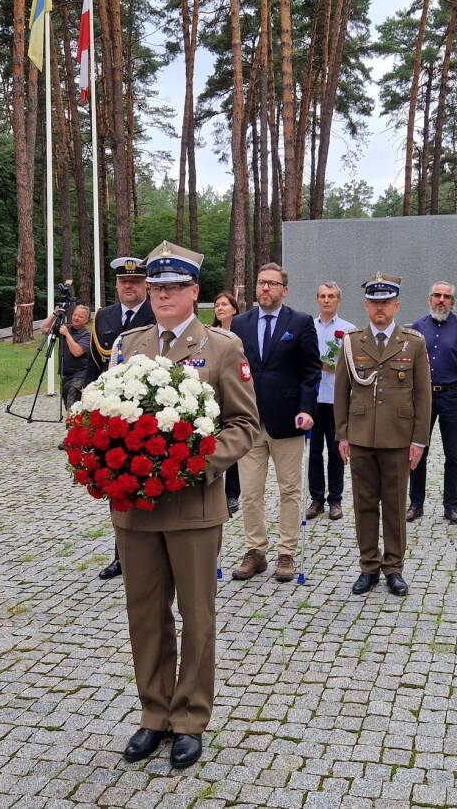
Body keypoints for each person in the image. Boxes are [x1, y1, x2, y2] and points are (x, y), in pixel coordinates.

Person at [112, 240, 260, 770]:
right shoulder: (129, 345)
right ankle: (154, 714)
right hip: (137, 509)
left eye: (173, 288)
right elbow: (111, 417)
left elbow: (245, 425)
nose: (161, 296)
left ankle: (190, 719)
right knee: (145, 615)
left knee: (196, 616)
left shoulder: (221, 348)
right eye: (155, 288)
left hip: (194, 505)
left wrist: (196, 464)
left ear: (194, 292)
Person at [334, 273, 431, 597]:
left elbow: (422, 395)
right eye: (374, 302)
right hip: (361, 437)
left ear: (396, 305)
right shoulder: (351, 342)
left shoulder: (413, 343)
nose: (380, 308)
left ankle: (394, 567)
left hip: (397, 438)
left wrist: (419, 440)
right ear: (366, 305)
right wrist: (342, 434)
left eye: (386, 302)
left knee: (394, 504)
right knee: (363, 505)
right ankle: (368, 566)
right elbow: (341, 392)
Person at [229, 263, 320, 583]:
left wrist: (307, 408)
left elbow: (311, 372)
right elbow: (231, 370)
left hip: (288, 421)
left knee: (290, 490)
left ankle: (286, 552)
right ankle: (255, 550)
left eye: (272, 284)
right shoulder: (239, 324)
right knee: (250, 493)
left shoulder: (300, 322)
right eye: (261, 283)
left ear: (285, 289)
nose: (265, 288)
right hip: (250, 421)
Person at [91, 255, 157, 581]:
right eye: (123, 282)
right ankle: (122, 554)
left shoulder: (156, 312)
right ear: (116, 285)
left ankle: (152, 554)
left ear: (145, 284)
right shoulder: (103, 317)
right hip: (114, 418)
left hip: (152, 416)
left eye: (135, 281)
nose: (128, 286)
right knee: (118, 487)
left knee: (152, 482)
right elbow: (95, 369)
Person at [408, 282, 457, 526]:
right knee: (418, 451)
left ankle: (451, 506)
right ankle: (416, 504)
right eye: (437, 295)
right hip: (423, 397)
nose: (441, 300)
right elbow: (407, 364)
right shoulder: (417, 327)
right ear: (429, 298)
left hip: (452, 397)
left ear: (453, 302)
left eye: (446, 297)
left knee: (453, 454)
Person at [305, 282, 354, 521]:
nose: (326, 300)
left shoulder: (348, 330)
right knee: (314, 452)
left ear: (338, 300)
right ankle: (316, 499)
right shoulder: (308, 327)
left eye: (331, 296)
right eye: (322, 296)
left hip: (336, 400)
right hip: (313, 400)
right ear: (317, 299)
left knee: (336, 452)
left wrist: (336, 367)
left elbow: (355, 365)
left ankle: (335, 499)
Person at [211, 292, 243, 517]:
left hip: (234, 393)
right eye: (216, 305)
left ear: (234, 308)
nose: (220, 308)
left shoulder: (242, 333)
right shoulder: (209, 335)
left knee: (232, 446)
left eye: (224, 304)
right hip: (214, 399)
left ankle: (232, 493)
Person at [41, 303, 92, 409]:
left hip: (80, 375)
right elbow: (44, 328)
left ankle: (73, 424)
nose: (76, 318)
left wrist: (67, 335)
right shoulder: (66, 328)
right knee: (67, 405)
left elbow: (77, 352)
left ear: (86, 320)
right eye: (75, 315)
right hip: (65, 374)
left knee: (73, 405)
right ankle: (72, 424)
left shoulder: (87, 334)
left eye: (80, 316)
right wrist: (55, 314)